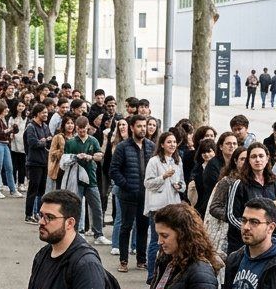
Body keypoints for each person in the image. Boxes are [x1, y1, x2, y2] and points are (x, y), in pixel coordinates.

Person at [109, 115, 148, 273]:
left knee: (143, 228)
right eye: (139, 126)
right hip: (128, 195)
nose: (143, 129)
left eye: (144, 126)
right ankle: (123, 260)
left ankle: (141, 260)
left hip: (145, 195)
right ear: (132, 128)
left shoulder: (150, 146)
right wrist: (126, 185)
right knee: (126, 227)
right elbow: (114, 170)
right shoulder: (123, 147)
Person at [143, 131, 185, 274]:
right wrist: (163, 177)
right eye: (169, 142)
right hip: (158, 207)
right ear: (162, 144)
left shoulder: (177, 161)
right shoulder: (154, 161)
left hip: (173, 205)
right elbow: (148, 183)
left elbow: (183, 182)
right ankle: (151, 274)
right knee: (157, 241)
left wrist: (180, 186)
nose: (172, 145)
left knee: (173, 240)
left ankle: (167, 272)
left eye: (174, 142)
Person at [225, 144, 276, 254]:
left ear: (267, 158)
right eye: (253, 156)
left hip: (268, 241)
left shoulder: (275, 182)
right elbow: (231, 216)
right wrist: (250, 228)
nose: (258, 160)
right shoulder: (239, 184)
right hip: (242, 243)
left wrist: (266, 231)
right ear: (248, 160)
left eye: (261, 156)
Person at [64, 117, 108, 244]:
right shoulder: (71, 142)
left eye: (84, 129)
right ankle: (77, 232)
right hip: (76, 180)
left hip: (91, 179)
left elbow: (99, 156)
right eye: (79, 129)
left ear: (88, 127)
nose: (82, 132)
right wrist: (75, 157)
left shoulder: (93, 140)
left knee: (97, 207)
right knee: (76, 208)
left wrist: (91, 157)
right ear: (76, 128)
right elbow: (65, 159)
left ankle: (98, 234)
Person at [23, 103, 54, 223]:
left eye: (46, 112)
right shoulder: (31, 127)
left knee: (41, 190)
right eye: (44, 113)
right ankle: (28, 214)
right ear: (37, 114)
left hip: (44, 162)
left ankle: (39, 213)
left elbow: (50, 140)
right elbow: (33, 143)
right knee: (33, 190)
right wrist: (45, 141)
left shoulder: (45, 126)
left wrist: (44, 141)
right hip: (34, 163)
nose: (46, 114)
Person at [0, 100, 19, 199]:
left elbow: (5, 133)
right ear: (1, 109)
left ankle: (13, 190)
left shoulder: (2, 119)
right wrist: (10, 130)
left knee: (9, 168)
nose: (7, 110)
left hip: (4, 145)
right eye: (5, 109)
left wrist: (13, 130)